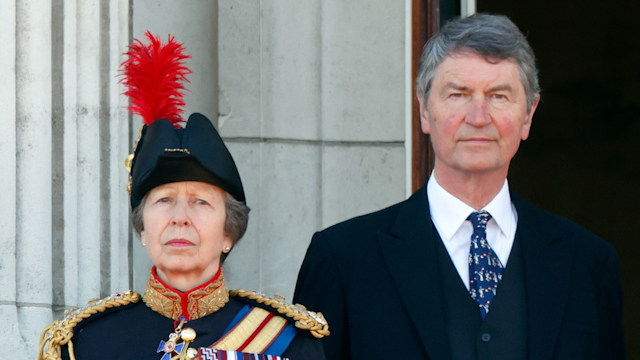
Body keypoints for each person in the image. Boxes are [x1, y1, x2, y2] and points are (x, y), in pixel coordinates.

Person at [293, 13, 625, 359]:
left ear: (528, 114)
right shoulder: (342, 259)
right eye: (458, 94)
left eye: (498, 96)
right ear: (424, 109)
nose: (478, 117)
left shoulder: (588, 264)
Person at [39, 32, 328, 360]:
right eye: (163, 200)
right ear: (143, 229)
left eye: (200, 202)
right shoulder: (87, 341)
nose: (180, 217)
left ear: (229, 232)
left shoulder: (290, 340)